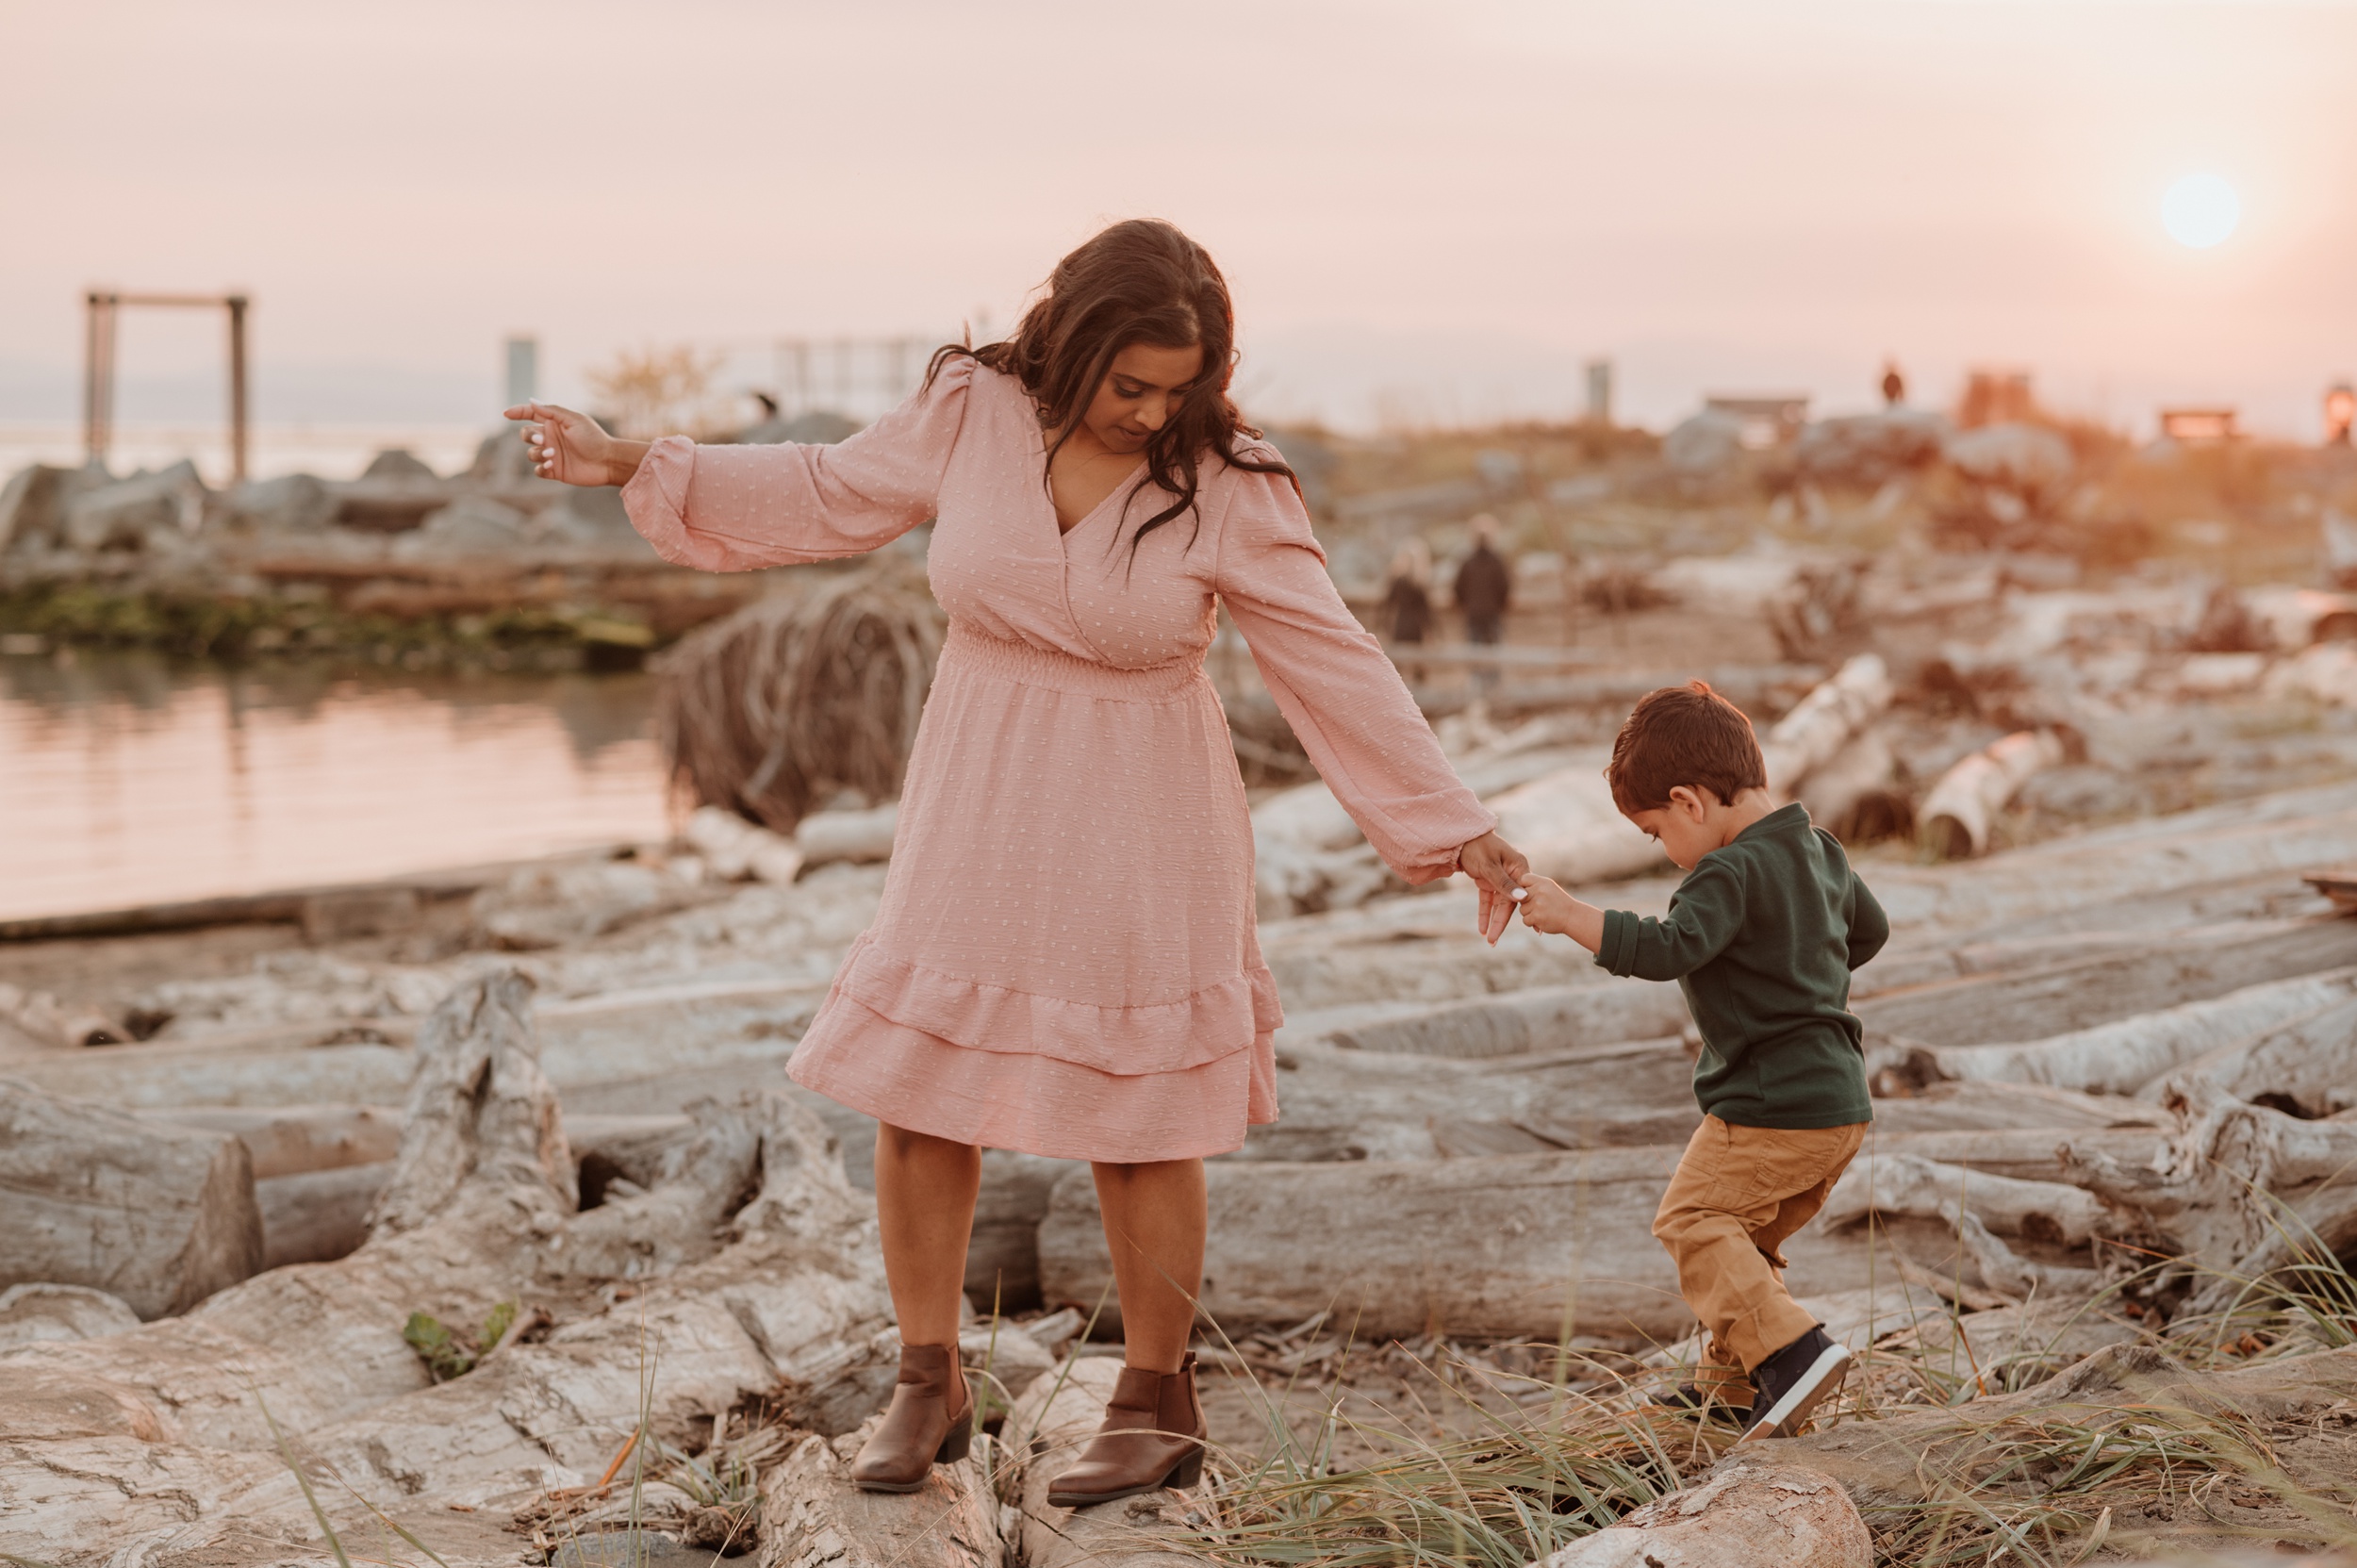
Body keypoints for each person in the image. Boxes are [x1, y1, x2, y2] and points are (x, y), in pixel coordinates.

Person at [511, 220, 1527, 1503]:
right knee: (920, 1086)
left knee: (1144, 1111)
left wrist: (1456, 823)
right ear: (1072, 344)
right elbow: (828, 487)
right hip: (978, 785)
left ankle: (1156, 1397)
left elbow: (1331, 657)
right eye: (1132, 385)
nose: (1157, 412)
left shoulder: (1230, 476)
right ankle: (926, 1377)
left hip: (1145, 805)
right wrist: (636, 463)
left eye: (1182, 387)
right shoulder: (973, 407)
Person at [1509, 681, 1887, 1443]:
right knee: (1743, 1242)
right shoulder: (1820, 851)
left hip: (1767, 1103)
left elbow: (1666, 946)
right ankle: (1732, 1387)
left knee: (1693, 1220)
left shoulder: (1725, 872)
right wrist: (1796, 963)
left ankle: (1793, 1350)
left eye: (1653, 832)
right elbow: (1869, 931)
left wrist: (1571, 915)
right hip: (1839, 1105)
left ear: (1688, 801)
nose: (1663, 848)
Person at [1453, 514, 1510, 690]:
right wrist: (1500, 605)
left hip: (1474, 612)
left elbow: (1457, 588)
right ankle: (1493, 683)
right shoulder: (1497, 561)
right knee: (1493, 648)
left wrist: (1464, 604)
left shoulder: (1468, 561)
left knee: (1475, 648)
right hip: (1492, 613)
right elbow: (1505, 587)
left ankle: (1476, 681)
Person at [1382, 538, 1434, 683]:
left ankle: (1404, 688)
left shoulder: (1397, 581)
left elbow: (1387, 605)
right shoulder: (1419, 582)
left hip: (1401, 624)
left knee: (1402, 663)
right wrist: (1430, 631)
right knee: (1417, 662)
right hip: (1415, 626)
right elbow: (1425, 611)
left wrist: (1386, 627)